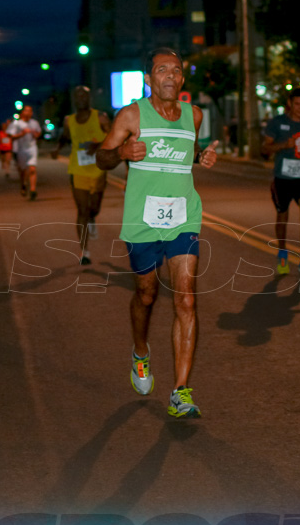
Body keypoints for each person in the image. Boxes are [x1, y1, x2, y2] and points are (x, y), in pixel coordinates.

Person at [95, 47, 218, 419]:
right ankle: (140, 352)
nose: (169, 75)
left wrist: (201, 158)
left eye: (176, 70)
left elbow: (189, 150)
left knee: (186, 300)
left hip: (184, 217)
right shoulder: (132, 115)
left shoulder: (193, 115)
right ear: (149, 78)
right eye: (161, 69)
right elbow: (101, 156)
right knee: (146, 295)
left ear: (182, 78)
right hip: (142, 220)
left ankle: (181, 391)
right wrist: (122, 154)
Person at [262, 87, 300, 282]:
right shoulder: (277, 123)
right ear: (290, 103)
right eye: (297, 104)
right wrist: (283, 145)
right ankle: (282, 253)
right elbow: (264, 149)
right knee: (282, 217)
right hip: (282, 178)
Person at [53, 85, 111, 265]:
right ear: (74, 100)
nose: (81, 100)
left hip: (98, 169)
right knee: (82, 210)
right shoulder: (68, 120)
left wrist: (98, 145)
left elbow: (114, 137)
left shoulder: (100, 117)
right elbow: (65, 136)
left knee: (94, 208)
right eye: (77, 97)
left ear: (89, 98)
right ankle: (84, 252)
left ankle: (93, 217)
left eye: (84, 96)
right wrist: (57, 149)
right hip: (77, 169)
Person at [8, 105, 42, 200]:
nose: (28, 113)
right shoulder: (16, 124)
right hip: (20, 149)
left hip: (32, 148)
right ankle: (23, 184)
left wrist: (35, 133)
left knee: (32, 169)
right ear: (22, 113)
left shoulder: (34, 123)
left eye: (30, 111)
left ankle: (32, 189)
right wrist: (22, 134)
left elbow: (38, 134)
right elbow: (11, 136)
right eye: (26, 111)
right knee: (23, 171)